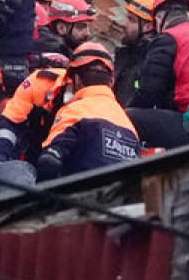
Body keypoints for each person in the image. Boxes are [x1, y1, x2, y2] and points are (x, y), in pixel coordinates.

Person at [36, 42, 141, 180]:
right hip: (119, 197)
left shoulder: (75, 111)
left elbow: (49, 162)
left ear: (77, 80)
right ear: (111, 81)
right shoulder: (129, 124)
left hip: (81, 195)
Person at [114, 0, 154, 105]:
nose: (124, 24)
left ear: (148, 27)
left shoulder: (148, 61)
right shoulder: (127, 54)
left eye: (132, 20)